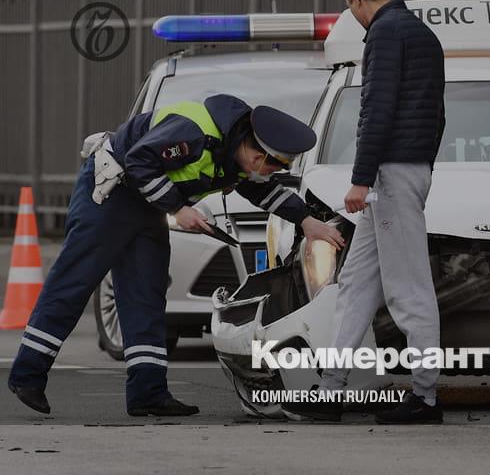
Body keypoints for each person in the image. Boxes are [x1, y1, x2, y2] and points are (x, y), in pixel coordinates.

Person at [8, 94, 345, 417]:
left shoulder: (235, 150)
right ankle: (27, 375)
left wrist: (307, 221)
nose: (270, 172)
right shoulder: (194, 133)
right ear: (257, 155)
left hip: (148, 205)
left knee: (146, 293)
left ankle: (148, 393)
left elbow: (262, 190)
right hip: (111, 194)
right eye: (272, 165)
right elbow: (139, 160)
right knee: (74, 282)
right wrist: (178, 209)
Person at [281, 0, 446, 424]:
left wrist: (362, 177)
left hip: (392, 174)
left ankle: (425, 397)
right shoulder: (422, 34)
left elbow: (378, 109)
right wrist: (418, 167)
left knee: (408, 289)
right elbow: (437, 114)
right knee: (355, 284)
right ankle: (331, 389)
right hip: (407, 169)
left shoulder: (384, 33)